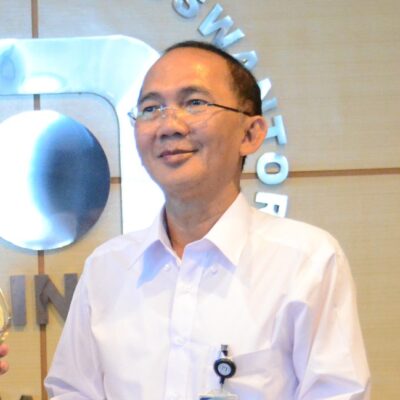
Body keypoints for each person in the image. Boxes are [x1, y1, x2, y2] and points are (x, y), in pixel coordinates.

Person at [45, 41, 370, 399]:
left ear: (250, 134)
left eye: (194, 103)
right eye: (151, 108)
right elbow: (72, 392)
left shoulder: (307, 261)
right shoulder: (107, 268)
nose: (168, 125)